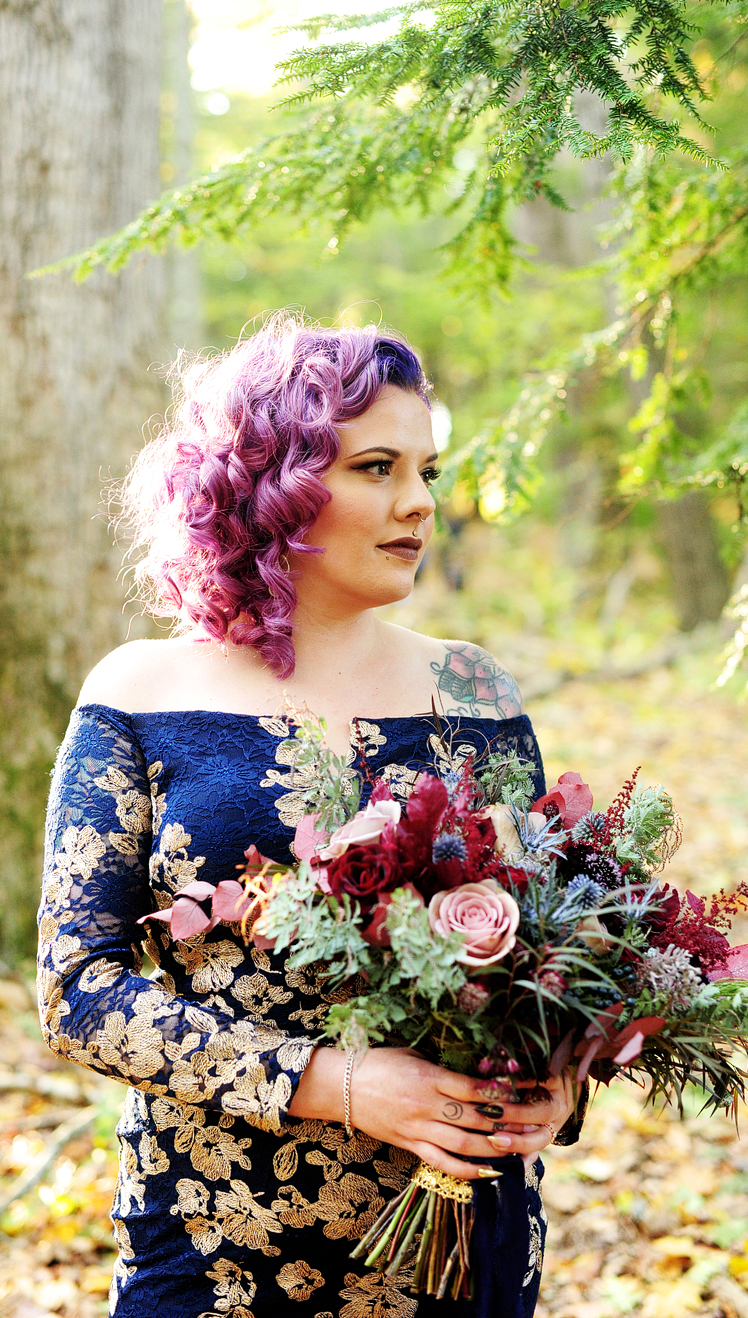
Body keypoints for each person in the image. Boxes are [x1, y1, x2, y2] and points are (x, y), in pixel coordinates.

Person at [36, 318, 577, 1318]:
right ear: (269, 479)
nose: (418, 502)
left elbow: (553, 956)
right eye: (378, 466)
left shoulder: (473, 689)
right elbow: (77, 992)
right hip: (215, 1249)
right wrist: (334, 1082)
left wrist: (559, 1081)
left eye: (426, 470)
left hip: (459, 1245)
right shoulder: (143, 693)